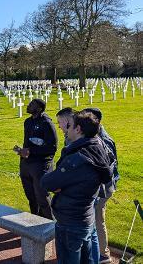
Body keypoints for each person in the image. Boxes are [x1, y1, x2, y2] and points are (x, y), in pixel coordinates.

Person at [40, 111, 113, 264]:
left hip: (70, 221)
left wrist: (60, 185)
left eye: (70, 126)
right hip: (85, 217)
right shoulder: (97, 147)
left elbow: (46, 183)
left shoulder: (78, 158)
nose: (67, 129)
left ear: (78, 129)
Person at [84, 108, 119, 264]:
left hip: (102, 189)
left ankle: (103, 255)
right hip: (99, 187)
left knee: (98, 219)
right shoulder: (94, 137)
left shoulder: (103, 140)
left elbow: (108, 169)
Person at [14, 98, 57, 219]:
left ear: (39, 108)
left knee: (42, 197)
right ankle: (35, 222)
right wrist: (22, 151)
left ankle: (51, 225)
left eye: (31, 104)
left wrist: (31, 151)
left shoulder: (47, 123)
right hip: (26, 163)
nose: (28, 105)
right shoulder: (27, 122)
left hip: (40, 165)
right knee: (31, 197)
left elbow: (52, 147)